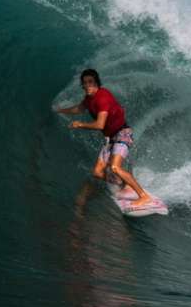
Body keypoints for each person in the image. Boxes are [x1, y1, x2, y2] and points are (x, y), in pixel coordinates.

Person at [55, 69, 153, 206]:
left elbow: (100, 124)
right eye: (85, 83)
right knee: (97, 172)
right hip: (111, 138)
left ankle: (143, 196)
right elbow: (79, 109)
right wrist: (61, 110)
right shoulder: (89, 99)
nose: (88, 85)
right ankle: (124, 183)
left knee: (114, 167)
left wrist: (80, 124)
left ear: (96, 82)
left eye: (91, 82)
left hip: (122, 133)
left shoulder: (102, 98)